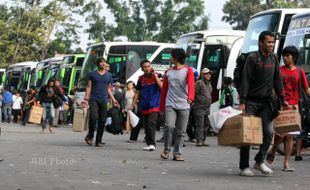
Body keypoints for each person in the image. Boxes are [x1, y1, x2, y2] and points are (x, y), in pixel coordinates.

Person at [239, 31, 285, 176]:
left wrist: (282, 98)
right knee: (248, 134)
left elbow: (278, 80)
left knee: (269, 132)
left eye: (273, 42)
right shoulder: (253, 58)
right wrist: (243, 101)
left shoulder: (274, 58)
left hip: (267, 103)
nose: (271, 45)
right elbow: (245, 80)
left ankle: (259, 161)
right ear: (261, 43)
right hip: (251, 101)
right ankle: (244, 167)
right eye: (269, 42)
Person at [266, 46, 310, 171]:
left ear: (294, 57)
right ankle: (273, 149)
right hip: (281, 105)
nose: (285, 58)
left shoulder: (300, 72)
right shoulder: (279, 70)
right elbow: (274, 89)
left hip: (294, 107)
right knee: (280, 132)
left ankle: (286, 163)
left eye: (288, 56)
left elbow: (306, 89)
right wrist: (278, 100)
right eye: (284, 56)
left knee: (290, 135)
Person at [160, 48, 195, 161]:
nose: (170, 58)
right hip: (170, 104)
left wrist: (190, 97)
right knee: (169, 126)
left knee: (181, 131)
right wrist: (161, 107)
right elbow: (164, 91)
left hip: (184, 104)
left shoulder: (188, 70)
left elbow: (191, 85)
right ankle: (166, 150)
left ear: (177, 57)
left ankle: (177, 153)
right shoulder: (168, 72)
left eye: (171, 56)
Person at [81, 58, 118, 147]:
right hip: (93, 99)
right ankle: (90, 136)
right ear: (98, 64)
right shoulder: (92, 74)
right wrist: (86, 99)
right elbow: (89, 87)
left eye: (104, 62)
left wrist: (113, 99)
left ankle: (98, 141)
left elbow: (108, 89)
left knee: (102, 120)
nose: (103, 63)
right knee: (93, 118)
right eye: (101, 62)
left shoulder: (109, 75)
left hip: (104, 100)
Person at [129, 60, 162, 151]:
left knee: (151, 123)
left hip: (155, 104)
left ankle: (152, 144)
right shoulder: (140, 79)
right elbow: (137, 93)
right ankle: (149, 143)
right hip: (144, 105)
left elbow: (162, 87)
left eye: (148, 66)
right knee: (146, 126)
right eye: (145, 67)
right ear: (142, 68)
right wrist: (132, 105)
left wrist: (154, 75)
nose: (147, 68)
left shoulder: (158, 75)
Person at [192, 68, 212, 146]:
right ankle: (199, 140)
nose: (208, 75)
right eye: (206, 74)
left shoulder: (209, 84)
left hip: (207, 107)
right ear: (202, 75)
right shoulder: (199, 83)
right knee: (200, 124)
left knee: (206, 124)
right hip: (199, 107)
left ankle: (203, 140)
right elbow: (193, 93)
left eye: (209, 74)